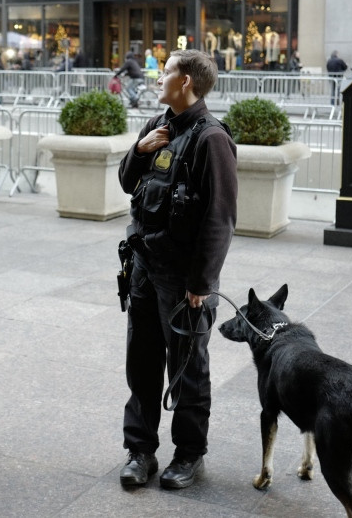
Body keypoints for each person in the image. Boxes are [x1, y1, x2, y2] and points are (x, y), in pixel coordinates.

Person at [117, 50, 238, 490]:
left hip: (185, 279)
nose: (159, 77)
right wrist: (138, 150)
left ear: (185, 81)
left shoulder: (211, 139)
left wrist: (201, 283)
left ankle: (188, 455)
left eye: (166, 72)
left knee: (187, 369)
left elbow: (219, 219)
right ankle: (141, 451)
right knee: (142, 362)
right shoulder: (158, 125)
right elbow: (128, 181)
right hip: (145, 268)